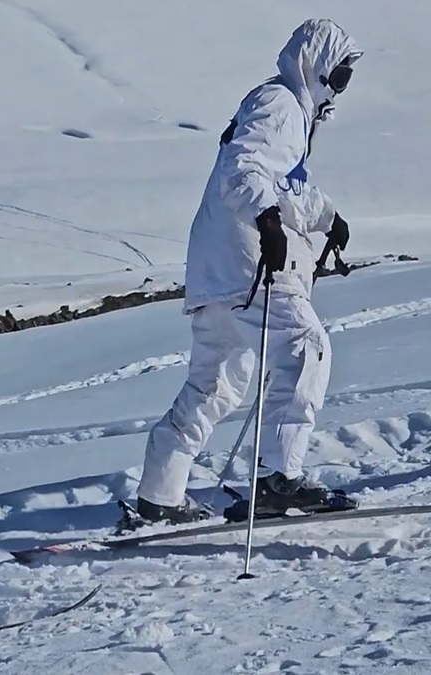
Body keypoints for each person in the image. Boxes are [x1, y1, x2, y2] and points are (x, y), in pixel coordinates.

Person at [134, 19, 361, 526]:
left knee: (217, 382)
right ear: (316, 67)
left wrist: (329, 218)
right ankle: (281, 479)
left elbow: (287, 186)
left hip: (216, 271)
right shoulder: (280, 104)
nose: (338, 90)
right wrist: (266, 220)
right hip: (248, 261)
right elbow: (244, 168)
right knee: (306, 345)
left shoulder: (286, 113)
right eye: (338, 76)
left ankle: (159, 494)